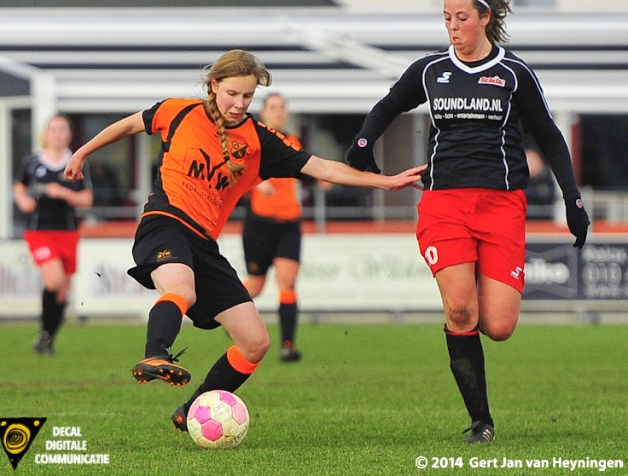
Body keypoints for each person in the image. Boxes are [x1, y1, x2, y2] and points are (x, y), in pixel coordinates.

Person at [64, 49, 426, 432]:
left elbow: (322, 167)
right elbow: (128, 126)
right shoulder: (178, 112)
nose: (239, 104)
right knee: (180, 289)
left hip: (204, 243)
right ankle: (155, 355)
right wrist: (84, 151)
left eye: (248, 97)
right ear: (214, 85)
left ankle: (190, 410)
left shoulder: (258, 141)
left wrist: (385, 181)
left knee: (255, 343)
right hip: (164, 223)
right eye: (233, 94)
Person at [345, 0, 590, 443]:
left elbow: (551, 137)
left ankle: (476, 285)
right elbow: (386, 107)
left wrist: (573, 198)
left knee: (497, 326)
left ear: (486, 17)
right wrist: (362, 144)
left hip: (502, 208)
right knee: (460, 312)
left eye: (461, 18)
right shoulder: (432, 70)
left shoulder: (513, 73)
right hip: (444, 205)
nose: (453, 28)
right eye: (446, 19)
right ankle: (481, 422)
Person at [242, 93, 328, 362]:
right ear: (263, 112)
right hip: (260, 225)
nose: (278, 112)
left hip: (289, 223)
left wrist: (319, 180)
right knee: (255, 287)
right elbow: (234, 173)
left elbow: (301, 169)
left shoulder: (293, 141)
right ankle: (226, 311)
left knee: (287, 283)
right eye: (273, 107)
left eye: (282, 107)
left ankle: (287, 346)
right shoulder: (252, 140)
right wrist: (255, 183)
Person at [14, 114, 94, 355]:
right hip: (39, 232)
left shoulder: (77, 162)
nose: (58, 134)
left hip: (68, 232)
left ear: (69, 134)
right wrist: (22, 200)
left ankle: (46, 338)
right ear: (46, 134)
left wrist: (62, 193)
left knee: (62, 291)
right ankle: (45, 335)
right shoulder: (32, 163)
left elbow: (86, 200)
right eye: (53, 129)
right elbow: (20, 185)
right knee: (54, 279)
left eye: (62, 130)